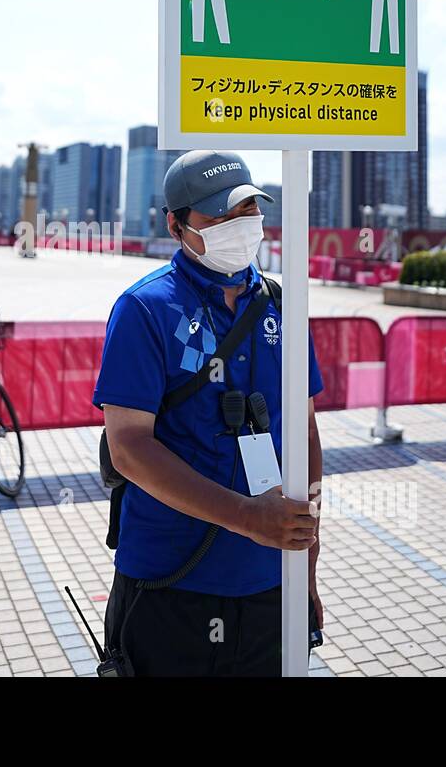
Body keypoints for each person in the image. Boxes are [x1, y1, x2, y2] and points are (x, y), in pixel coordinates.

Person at [93, 150, 324, 676]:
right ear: (175, 225)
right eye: (218, 215)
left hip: (270, 580)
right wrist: (247, 517)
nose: (238, 225)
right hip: (169, 581)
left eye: (246, 210)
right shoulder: (145, 308)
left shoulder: (282, 305)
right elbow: (129, 447)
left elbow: (304, 430)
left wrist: (306, 563)